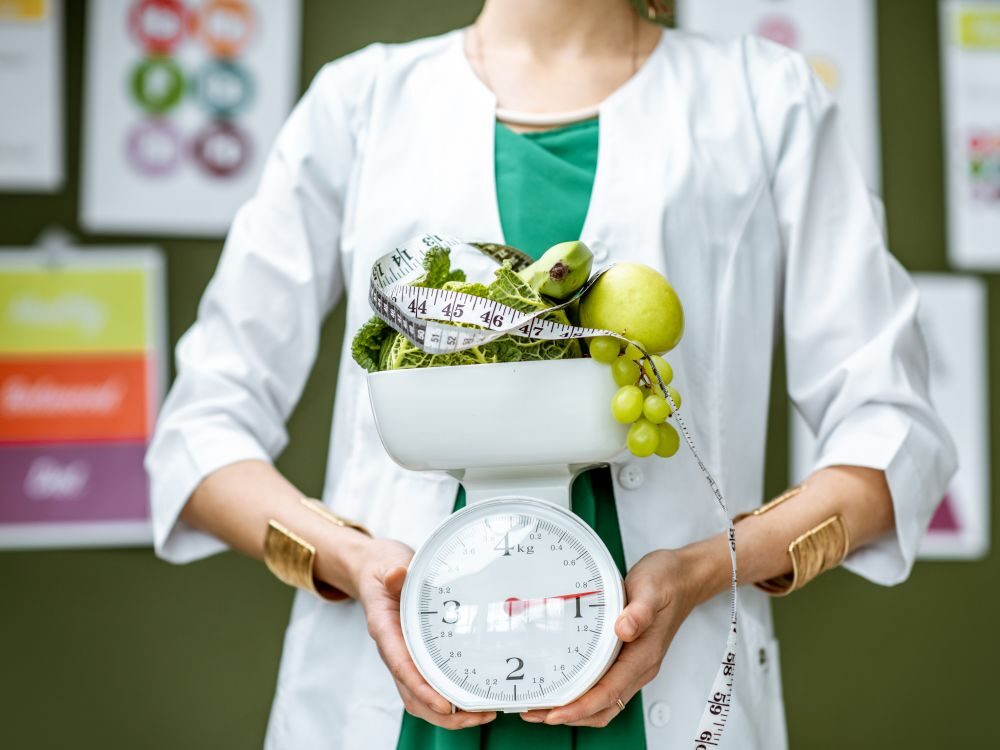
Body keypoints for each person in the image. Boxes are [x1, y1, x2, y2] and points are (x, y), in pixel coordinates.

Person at [145, 1, 957, 748]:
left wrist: (709, 568)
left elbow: (894, 436)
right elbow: (199, 435)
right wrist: (351, 563)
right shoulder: (359, 104)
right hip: (392, 711)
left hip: (671, 702)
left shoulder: (763, 99)